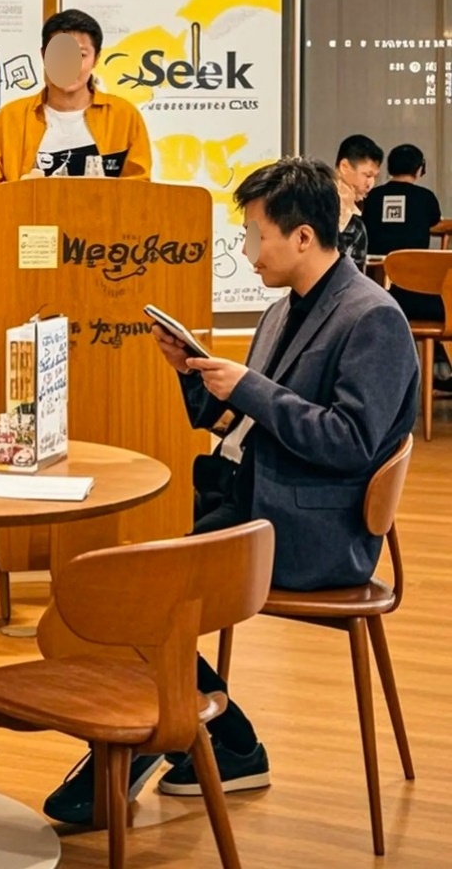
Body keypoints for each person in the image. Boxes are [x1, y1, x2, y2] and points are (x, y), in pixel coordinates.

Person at [45, 156, 418, 822]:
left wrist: (250, 387)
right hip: (250, 502)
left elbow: (349, 442)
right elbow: (242, 419)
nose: (247, 252)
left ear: (303, 237)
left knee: (131, 595)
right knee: (116, 588)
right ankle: (220, 741)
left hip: (311, 529)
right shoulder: (282, 312)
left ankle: (163, 745)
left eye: (255, 236)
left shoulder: (372, 318)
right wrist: (192, 372)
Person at [0, 8, 151, 183]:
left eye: (81, 55)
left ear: (96, 58)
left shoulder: (124, 116)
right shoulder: (9, 119)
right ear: (44, 55)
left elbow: (139, 189)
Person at [362, 143, 444, 321]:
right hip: (416, 288)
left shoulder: (373, 196)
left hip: (375, 288)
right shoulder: (426, 197)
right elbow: (435, 220)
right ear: (420, 169)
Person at [334, 133, 383, 271]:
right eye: (367, 175)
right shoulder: (313, 204)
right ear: (344, 167)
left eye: (374, 177)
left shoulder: (356, 225)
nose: (370, 184)